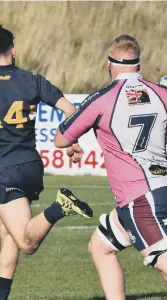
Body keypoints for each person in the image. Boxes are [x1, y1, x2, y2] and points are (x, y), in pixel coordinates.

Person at [54, 34, 167, 300]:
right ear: (138, 66)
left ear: (109, 65)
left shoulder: (102, 99)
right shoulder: (162, 93)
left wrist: (84, 128)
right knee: (100, 247)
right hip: (165, 191)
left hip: (141, 201)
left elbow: (61, 138)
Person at [0, 25, 93, 300]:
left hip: (3, 170)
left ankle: (58, 207)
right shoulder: (32, 80)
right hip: (28, 166)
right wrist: (71, 141)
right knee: (7, 234)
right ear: (13, 52)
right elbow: (72, 111)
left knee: (26, 243)